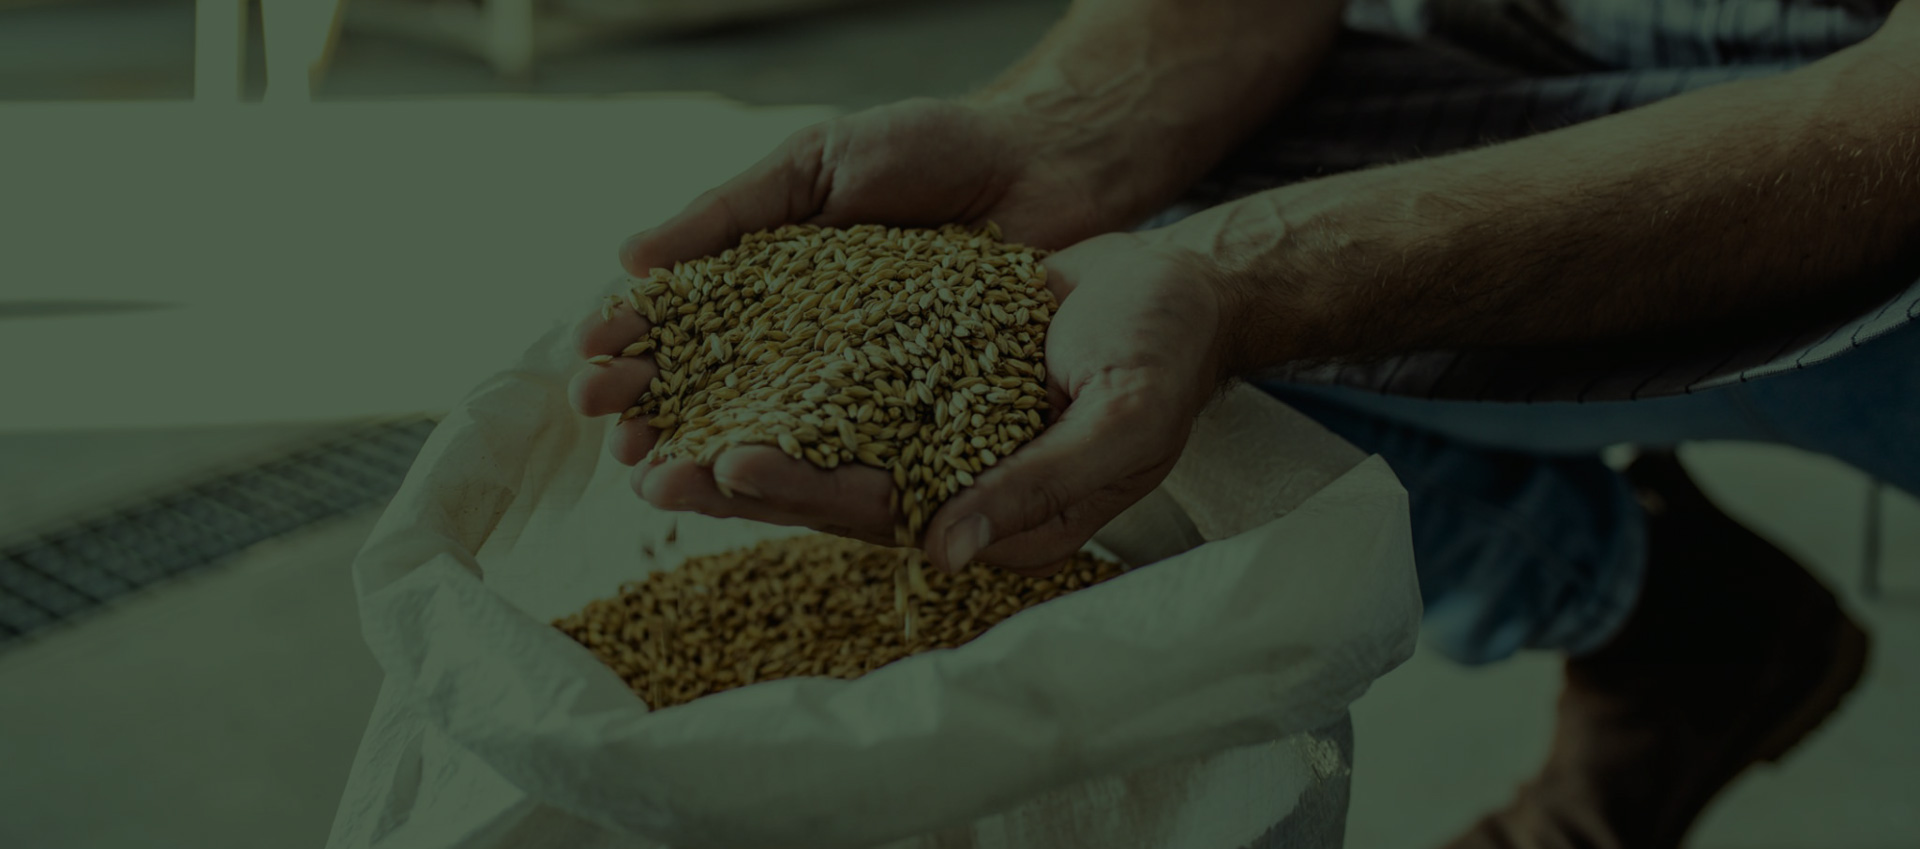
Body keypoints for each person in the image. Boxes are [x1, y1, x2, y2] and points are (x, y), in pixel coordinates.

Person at [569, 0, 1918, 844]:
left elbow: (1886, 126)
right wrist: (1067, 128)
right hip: (1573, 36)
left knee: (1170, 317)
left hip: (1881, 153)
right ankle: (1674, 623)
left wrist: (1245, 275)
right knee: (1083, 283)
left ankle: (1671, 621)